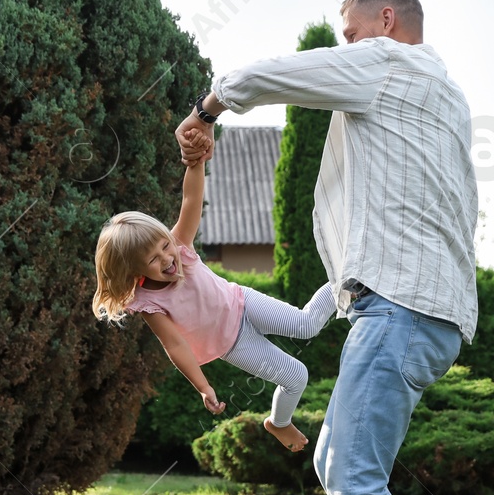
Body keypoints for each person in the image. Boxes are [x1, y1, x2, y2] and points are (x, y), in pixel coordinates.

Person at [175, 0, 478, 495]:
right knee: (336, 458)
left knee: (348, 470)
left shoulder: (386, 61)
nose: (345, 46)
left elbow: (269, 75)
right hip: (436, 312)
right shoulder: (447, 95)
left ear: (387, 20)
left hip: (400, 305)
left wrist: (206, 109)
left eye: (348, 31)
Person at [92, 134, 337, 451]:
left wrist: (195, 162)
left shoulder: (181, 246)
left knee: (306, 324)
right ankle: (279, 423)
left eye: (165, 245)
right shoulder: (148, 303)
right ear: (135, 271)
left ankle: (347, 282)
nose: (168, 258)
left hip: (243, 301)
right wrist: (203, 386)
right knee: (296, 376)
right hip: (232, 343)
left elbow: (190, 201)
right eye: (154, 259)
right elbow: (176, 345)